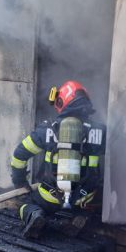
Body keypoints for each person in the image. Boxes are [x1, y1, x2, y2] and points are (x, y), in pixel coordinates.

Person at [10, 80, 106, 238]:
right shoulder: (101, 130)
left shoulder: (48, 128)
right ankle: (81, 216)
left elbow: (20, 154)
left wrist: (19, 182)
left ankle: (35, 214)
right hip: (84, 197)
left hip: (50, 195)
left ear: (62, 101)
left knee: (25, 203)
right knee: (89, 205)